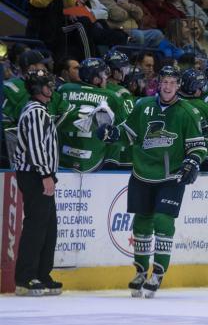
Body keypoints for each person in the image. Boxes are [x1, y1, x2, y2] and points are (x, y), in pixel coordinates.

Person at [99, 66, 207, 298]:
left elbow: (198, 146)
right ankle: (140, 271)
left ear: (179, 85)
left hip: (171, 176)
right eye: (164, 81)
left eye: (172, 82)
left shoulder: (187, 112)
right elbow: (129, 133)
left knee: (163, 220)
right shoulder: (143, 106)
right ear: (159, 83)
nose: (167, 86)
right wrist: (113, 134)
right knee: (141, 222)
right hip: (142, 173)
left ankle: (158, 271)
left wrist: (192, 162)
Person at [13, 69, 62, 296]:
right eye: (46, 85)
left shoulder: (41, 111)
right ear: (36, 88)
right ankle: (25, 277)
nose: (50, 88)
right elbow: (35, 147)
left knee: (48, 227)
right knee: (36, 226)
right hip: (35, 175)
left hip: (41, 175)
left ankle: (42, 274)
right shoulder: (35, 113)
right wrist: (45, 175)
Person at [57, 58, 128, 172]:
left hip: (63, 157)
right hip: (93, 160)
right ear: (96, 79)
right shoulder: (112, 97)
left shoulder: (64, 90)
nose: (106, 78)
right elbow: (123, 129)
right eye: (104, 74)